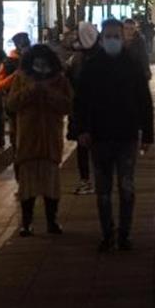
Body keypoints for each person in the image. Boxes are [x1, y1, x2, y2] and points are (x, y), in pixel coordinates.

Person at [75, 19, 154, 253]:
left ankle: (124, 233)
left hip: (127, 135)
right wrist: (82, 130)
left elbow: (144, 101)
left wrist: (147, 133)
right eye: (108, 36)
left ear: (123, 38)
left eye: (116, 36)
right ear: (102, 38)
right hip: (99, 136)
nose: (112, 40)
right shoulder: (92, 66)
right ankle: (107, 233)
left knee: (126, 187)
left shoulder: (132, 65)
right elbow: (80, 101)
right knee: (103, 191)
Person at [7, 44, 74, 236]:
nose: (40, 66)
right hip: (27, 139)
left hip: (51, 140)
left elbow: (68, 105)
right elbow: (11, 104)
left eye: (44, 62)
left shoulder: (59, 80)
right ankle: (26, 222)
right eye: (37, 62)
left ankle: (52, 221)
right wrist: (31, 92)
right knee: (27, 185)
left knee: (51, 184)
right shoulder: (21, 78)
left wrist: (49, 94)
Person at [66, 22, 99, 195]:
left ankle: (87, 180)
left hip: (83, 109)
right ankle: (92, 179)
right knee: (90, 147)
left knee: (84, 147)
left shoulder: (78, 58)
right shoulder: (94, 55)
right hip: (89, 110)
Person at [0, 32, 32, 150]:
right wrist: (15, 76)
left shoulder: (35, 60)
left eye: (26, 44)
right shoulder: (8, 63)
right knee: (17, 136)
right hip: (15, 104)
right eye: (22, 45)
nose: (25, 48)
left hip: (32, 106)